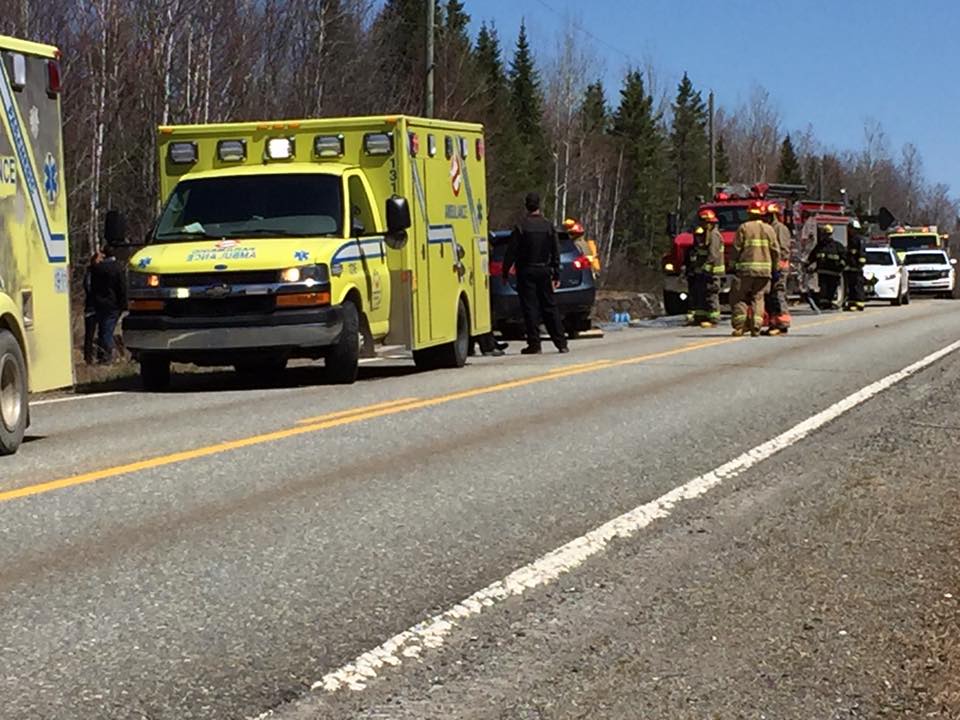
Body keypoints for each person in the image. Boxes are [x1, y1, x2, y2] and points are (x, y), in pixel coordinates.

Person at [502, 193, 569, 354]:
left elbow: (511, 251)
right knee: (550, 306)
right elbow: (555, 251)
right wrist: (556, 273)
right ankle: (561, 343)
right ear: (539, 205)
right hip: (544, 270)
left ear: (526, 206)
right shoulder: (548, 226)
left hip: (526, 270)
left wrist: (505, 271)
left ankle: (534, 344)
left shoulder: (521, 226)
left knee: (530, 308)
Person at [731, 200, 778, 337]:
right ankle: (756, 327)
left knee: (738, 297)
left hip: (745, 271)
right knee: (758, 297)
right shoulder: (769, 229)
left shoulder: (744, 227)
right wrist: (775, 268)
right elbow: (775, 251)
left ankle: (740, 326)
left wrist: (732, 264)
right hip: (764, 272)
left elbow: (736, 248)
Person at [684, 208, 724, 328]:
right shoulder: (705, 234)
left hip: (712, 271)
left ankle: (713, 318)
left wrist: (706, 267)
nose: (700, 224)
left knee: (711, 294)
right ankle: (700, 317)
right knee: (700, 293)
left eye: (702, 221)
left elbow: (713, 254)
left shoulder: (714, 235)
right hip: (703, 271)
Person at [89, 244, 127, 363]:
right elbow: (122, 288)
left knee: (102, 329)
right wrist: (124, 304)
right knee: (108, 331)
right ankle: (107, 356)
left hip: (99, 303)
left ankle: (102, 355)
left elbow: (92, 286)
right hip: (113, 304)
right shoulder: (117, 268)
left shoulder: (97, 268)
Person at [763, 202, 793, 335]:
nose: (765, 218)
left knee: (778, 294)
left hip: (779, 267)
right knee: (771, 297)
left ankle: (782, 324)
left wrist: (778, 267)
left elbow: (783, 249)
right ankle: (774, 323)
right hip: (771, 267)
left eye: (767, 215)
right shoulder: (769, 228)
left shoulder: (779, 228)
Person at [805, 225, 846, 310]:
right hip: (822, 272)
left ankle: (828, 303)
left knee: (831, 289)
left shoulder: (837, 246)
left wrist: (841, 266)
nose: (826, 236)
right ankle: (824, 304)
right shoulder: (819, 246)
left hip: (834, 272)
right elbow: (812, 256)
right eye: (825, 234)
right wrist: (807, 264)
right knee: (824, 288)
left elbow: (844, 258)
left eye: (828, 234)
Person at [82, 249, 103, 364]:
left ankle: (100, 355)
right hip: (91, 307)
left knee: (102, 332)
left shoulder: (100, 272)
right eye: (100, 259)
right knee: (89, 333)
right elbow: (88, 287)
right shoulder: (90, 273)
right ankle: (88, 357)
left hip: (99, 306)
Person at [844, 220, 868, 312]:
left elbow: (862, 253)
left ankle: (859, 303)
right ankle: (852, 303)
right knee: (851, 286)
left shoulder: (859, 239)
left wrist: (859, 264)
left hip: (856, 268)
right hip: (851, 267)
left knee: (857, 286)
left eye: (851, 228)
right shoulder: (850, 239)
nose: (849, 230)